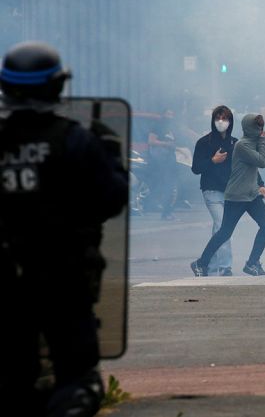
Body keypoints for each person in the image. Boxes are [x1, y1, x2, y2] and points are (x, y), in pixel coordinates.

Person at [0, 41, 128, 416]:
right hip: (65, 276)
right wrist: (110, 156)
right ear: (57, 86)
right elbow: (111, 199)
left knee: (12, 377)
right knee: (77, 381)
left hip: (6, 281)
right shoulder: (76, 139)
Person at [190, 113, 265, 277]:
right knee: (225, 232)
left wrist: (261, 185)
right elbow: (262, 162)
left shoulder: (251, 143)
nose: (260, 130)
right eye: (257, 126)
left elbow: (255, 168)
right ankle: (200, 264)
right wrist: (262, 141)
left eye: (261, 126)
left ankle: (252, 263)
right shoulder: (242, 145)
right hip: (237, 195)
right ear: (249, 128)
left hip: (251, 194)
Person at [191, 105, 237, 276]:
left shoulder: (234, 143)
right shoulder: (204, 142)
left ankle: (207, 267)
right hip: (211, 191)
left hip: (230, 193)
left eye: (224, 118)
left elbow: (243, 167)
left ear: (230, 121)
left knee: (219, 230)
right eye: (218, 118)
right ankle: (225, 268)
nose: (221, 122)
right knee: (223, 227)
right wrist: (212, 161)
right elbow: (195, 168)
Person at [147, 108, 178, 220]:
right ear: (164, 114)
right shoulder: (158, 125)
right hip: (160, 160)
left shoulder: (170, 128)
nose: (171, 116)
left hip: (169, 159)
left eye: (172, 113)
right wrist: (166, 144)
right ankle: (165, 213)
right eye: (169, 113)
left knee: (169, 185)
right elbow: (151, 141)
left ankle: (165, 211)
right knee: (166, 185)